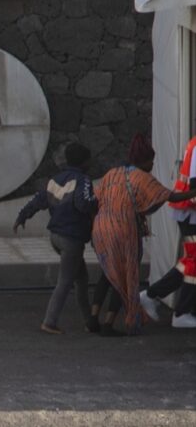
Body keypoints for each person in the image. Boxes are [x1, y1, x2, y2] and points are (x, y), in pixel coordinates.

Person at [91, 134, 196, 333]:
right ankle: (109, 322)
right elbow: (169, 195)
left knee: (107, 274)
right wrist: (193, 193)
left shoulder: (112, 173)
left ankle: (93, 318)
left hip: (101, 227)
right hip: (122, 228)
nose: (152, 165)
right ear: (145, 161)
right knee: (125, 274)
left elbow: (95, 198)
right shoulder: (142, 178)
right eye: (152, 162)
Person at [14, 143, 98, 334]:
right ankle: (49, 321)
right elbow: (84, 203)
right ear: (85, 162)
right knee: (66, 281)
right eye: (89, 160)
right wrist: (98, 203)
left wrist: (22, 216)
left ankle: (90, 321)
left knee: (81, 279)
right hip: (72, 239)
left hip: (55, 236)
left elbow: (39, 200)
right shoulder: (83, 180)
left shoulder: (56, 179)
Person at [138, 134, 196, 329]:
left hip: (187, 212)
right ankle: (181, 312)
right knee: (193, 262)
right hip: (190, 213)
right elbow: (195, 188)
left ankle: (152, 295)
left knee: (189, 261)